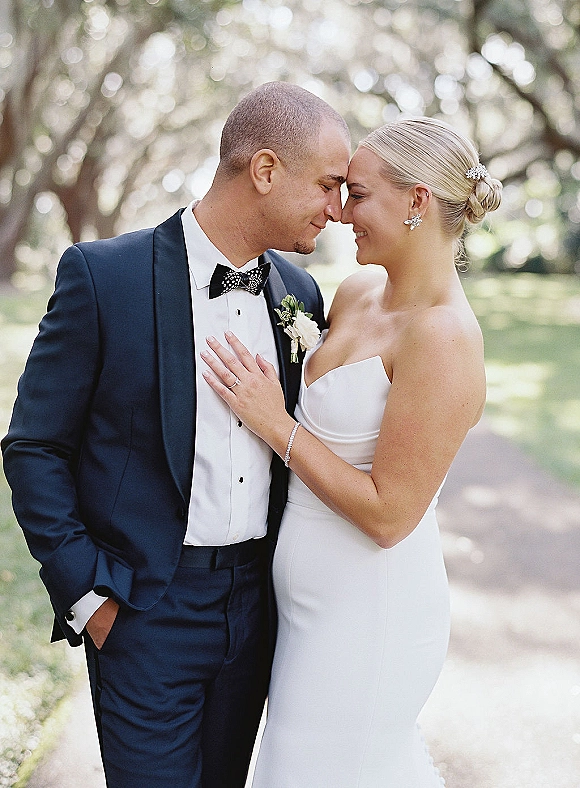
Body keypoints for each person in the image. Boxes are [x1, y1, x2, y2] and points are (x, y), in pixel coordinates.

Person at [1, 82, 350, 788]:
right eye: (328, 184)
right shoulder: (105, 278)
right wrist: (90, 597)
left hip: (259, 611)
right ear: (264, 171)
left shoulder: (299, 295)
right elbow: (34, 446)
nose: (338, 210)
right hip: (143, 609)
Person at [202, 116, 503, 787]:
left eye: (358, 194)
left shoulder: (444, 338)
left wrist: (273, 424)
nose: (339, 212)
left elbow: (389, 514)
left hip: (370, 620)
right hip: (305, 611)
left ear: (418, 201)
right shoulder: (359, 292)